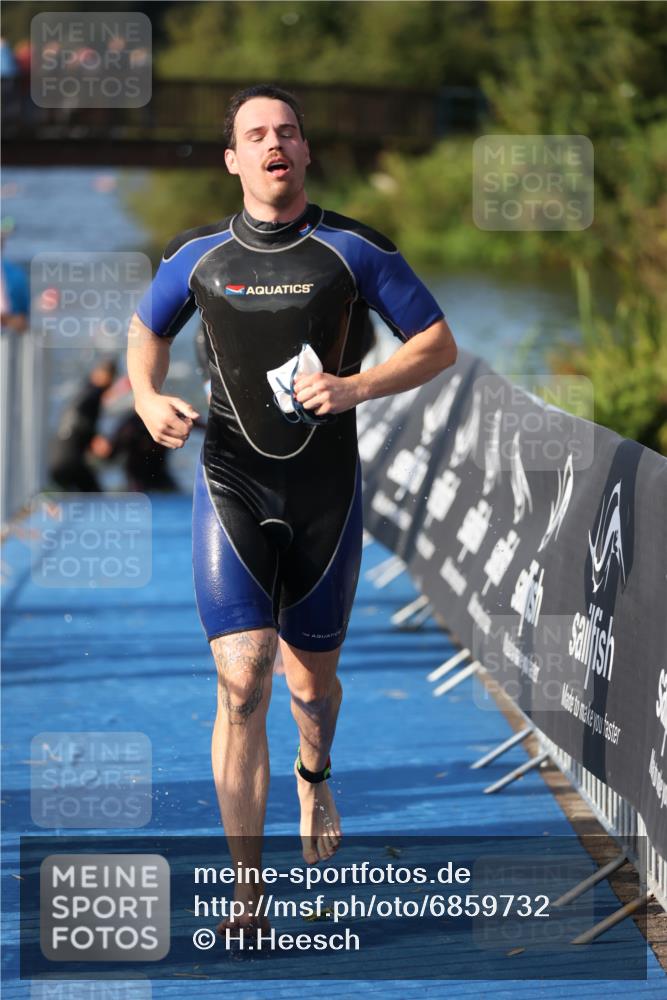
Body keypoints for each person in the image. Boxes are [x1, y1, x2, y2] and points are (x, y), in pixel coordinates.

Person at [127, 84, 457, 935]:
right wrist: (144, 395)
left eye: (288, 132)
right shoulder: (196, 255)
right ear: (233, 159)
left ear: (306, 153)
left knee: (309, 690)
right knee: (242, 680)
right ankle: (247, 888)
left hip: (325, 494)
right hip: (230, 479)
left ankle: (316, 772)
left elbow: (435, 342)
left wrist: (355, 385)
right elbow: (145, 328)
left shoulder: (353, 250)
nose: (274, 143)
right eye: (255, 134)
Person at [49, 358, 117, 492]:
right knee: (94, 495)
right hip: (69, 462)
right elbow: (79, 418)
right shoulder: (94, 393)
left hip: (60, 460)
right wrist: (96, 438)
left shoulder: (84, 391)